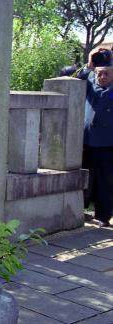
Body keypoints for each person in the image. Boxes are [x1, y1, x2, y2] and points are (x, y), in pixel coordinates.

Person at [77, 47, 113, 228]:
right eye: (100, 73)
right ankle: (80, 211)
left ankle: (103, 215)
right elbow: (77, 77)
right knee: (84, 178)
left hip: (107, 144)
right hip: (87, 142)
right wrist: (90, 61)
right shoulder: (91, 81)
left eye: (107, 74)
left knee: (104, 181)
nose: (102, 77)